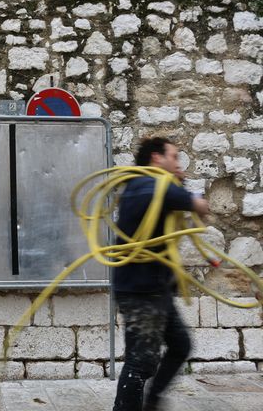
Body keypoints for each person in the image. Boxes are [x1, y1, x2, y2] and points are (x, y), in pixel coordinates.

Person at [112, 137, 209, 411]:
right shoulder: (144, 184)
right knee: (140, 361)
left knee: (180, 345)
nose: (178, 163)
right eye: (174, 157)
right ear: (157, 158)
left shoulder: (154, 186)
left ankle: (151, 402)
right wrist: (195, 201)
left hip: (156, 288)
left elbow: (172, 198)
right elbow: (183, 200)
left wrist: (181, 185)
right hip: (140, 290)